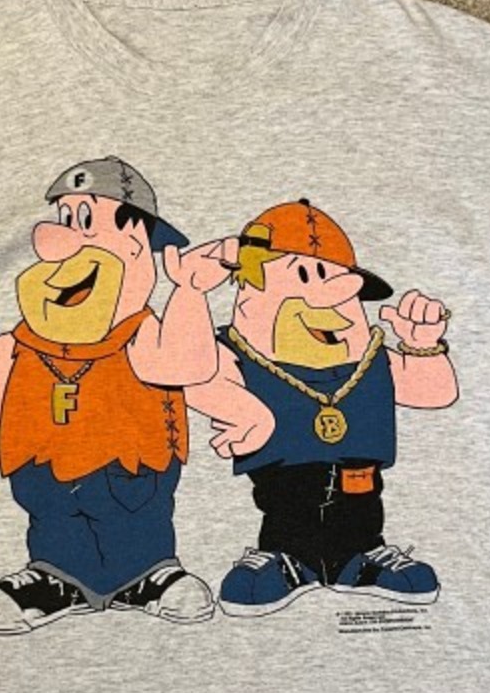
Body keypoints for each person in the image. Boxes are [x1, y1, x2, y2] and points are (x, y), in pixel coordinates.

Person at [0, 155, 234, 633]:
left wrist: (190, 292)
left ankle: (150, 575)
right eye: (65, 219)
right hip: (49, 476)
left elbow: (187, 364)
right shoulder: (31, 337)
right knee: (54, 519)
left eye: (85, 221)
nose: (62, 239)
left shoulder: (138, 332)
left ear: (136, 243)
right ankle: (55, 577)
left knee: (135, 518)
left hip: (129, 475)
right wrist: (36, 422)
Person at [185, 199, 459, 616]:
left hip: (359, 483)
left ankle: (360, 558)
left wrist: (423, 347)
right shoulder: (240, 354)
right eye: (306, 276)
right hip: (284, 486)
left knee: (361, 510)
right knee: (287, 511)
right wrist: (239, 407)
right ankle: (287, 560)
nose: (334, 300)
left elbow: (435, 392)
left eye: (343, 285)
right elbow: (193, 373)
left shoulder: (370, 359)